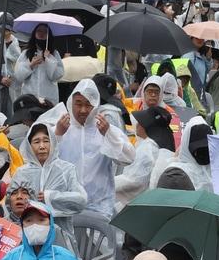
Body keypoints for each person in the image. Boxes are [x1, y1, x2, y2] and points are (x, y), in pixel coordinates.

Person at [54, 78, 136, 218]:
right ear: (71, 103)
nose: (83, 110)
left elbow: (128, 158)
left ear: (96, 104)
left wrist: (109, 135)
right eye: (78, 104)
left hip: (100, 207)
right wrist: (57, 135)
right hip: (65, 206)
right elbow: (41, 159)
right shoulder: (61, 127)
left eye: (88, 105)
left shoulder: (105, 128)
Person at [12, 122, 88, 248]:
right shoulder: (21, 173)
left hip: (60, 239)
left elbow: (81, 200)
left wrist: (50, 197)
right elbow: (11, 205)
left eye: (46, 141)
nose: (42, 146)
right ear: (29, 146)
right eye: (36, 142)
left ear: (52, 143)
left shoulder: (66, 169)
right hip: (28, 238)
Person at [13, 24, 65, 103]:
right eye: (39, 31)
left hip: (48, 99)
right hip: (29, 98)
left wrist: (49, 60)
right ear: (34, 33)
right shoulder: (26, 53)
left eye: (45, 32)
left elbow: (57, 76)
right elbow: (18, 76)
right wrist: (30, 65)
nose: (42, 33)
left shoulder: (54, 53)